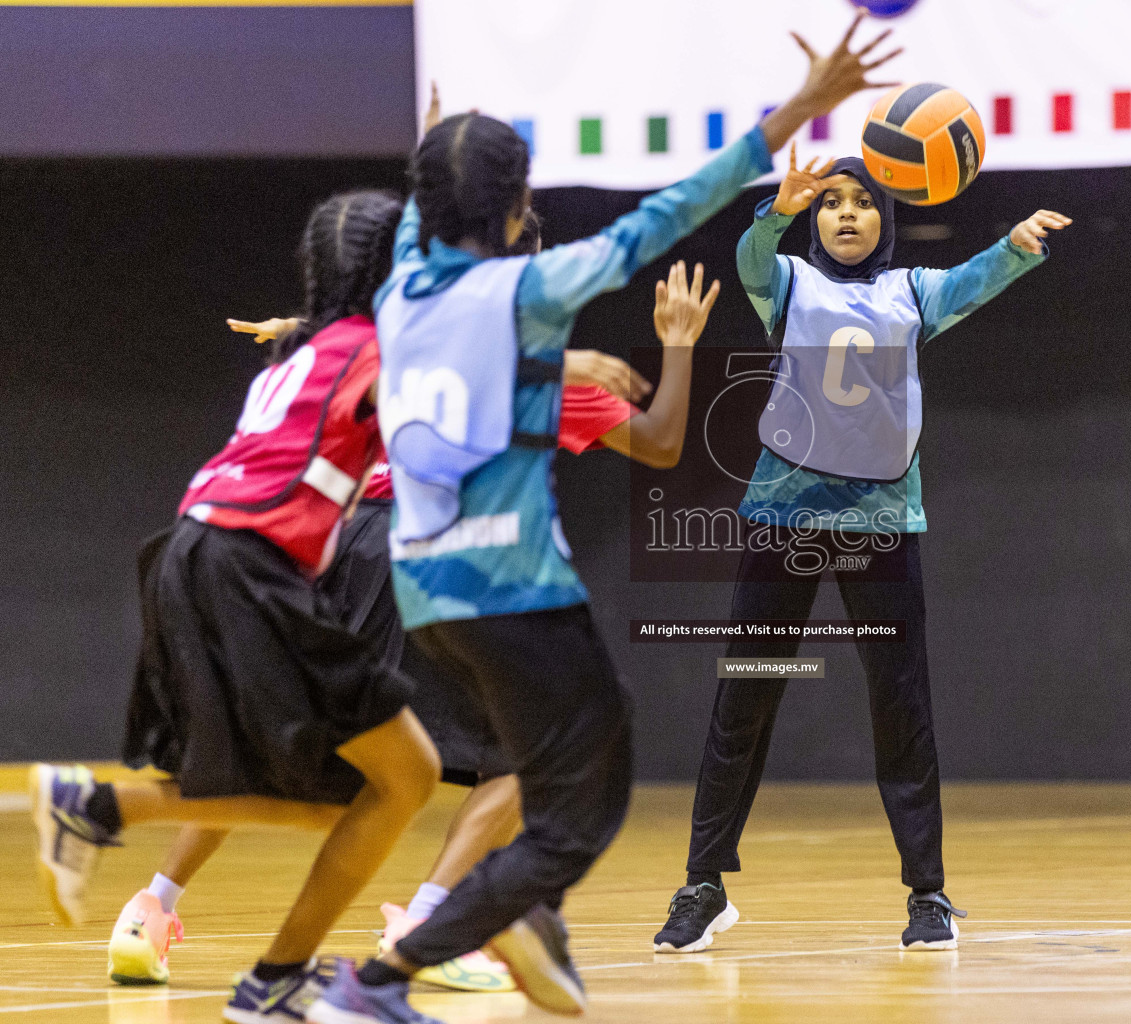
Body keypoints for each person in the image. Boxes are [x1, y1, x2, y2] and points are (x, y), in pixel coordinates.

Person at [302, 15, 902, 1023]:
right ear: (508, 212)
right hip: (512, 586)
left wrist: (438, 150)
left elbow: (421, 213)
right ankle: (392, 974)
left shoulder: (403, 288)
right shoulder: (525, 290)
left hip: (424, 586)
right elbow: (661, 219)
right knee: (582, 803)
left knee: (567, 761)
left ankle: (521, 924)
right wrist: (800, 109)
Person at [106, 247, 716, 997]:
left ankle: (149, 909)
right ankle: (428, 923)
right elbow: (660, 442)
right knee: (533, 752)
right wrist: (680, 345)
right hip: (432, 550)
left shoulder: (420, 341)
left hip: (338, 540)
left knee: (275, 744)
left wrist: (298, 328)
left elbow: (368, 335)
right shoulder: (545, 369)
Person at [31, 191, 448, 1024]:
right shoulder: (375, 349)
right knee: (407, 776)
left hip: (193, 548)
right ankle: (273, 974)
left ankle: (113, 821)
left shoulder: (305, 349)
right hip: (249, 564)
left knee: (345, 791)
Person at [650, 149, 1071, 954]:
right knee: (744, 700)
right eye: (832, 202)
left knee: (900, 705)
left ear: (886, 218)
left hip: (881, 523)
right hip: (783, 516)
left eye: (863, 202)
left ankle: (929, 895)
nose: (846, 213)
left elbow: (975, 279)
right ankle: (703, 883)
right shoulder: (786, 284)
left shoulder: (912, 291)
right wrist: (776, 210)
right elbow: (748, 256)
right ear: (815, 219)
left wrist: (1016, 244)